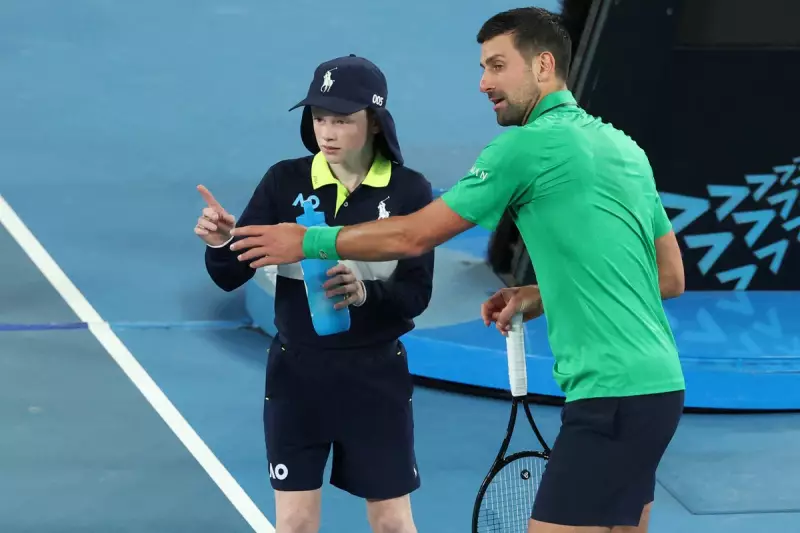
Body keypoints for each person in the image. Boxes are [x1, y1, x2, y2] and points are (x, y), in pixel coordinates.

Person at [228, 7, 687, 533]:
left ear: (542, 66)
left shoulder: (525, 147)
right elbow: (668, 278)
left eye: (496, 66)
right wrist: (541, 294)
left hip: (608, 395)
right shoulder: (623, 147)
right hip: (659, 388)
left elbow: (413, 234)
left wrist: (307, 238)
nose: (483, 82)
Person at [195, 54, 434, 533]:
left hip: (375, 380)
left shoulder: (409, 193)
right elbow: (229, 275)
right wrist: (223, 241)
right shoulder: (284, 181)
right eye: (319, 118)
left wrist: (365, 295)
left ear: (374, 122)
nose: (327, 132)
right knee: (297, 524)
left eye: (342, 121)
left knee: (391, 522)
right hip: (296, 377)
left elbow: (415, 295)